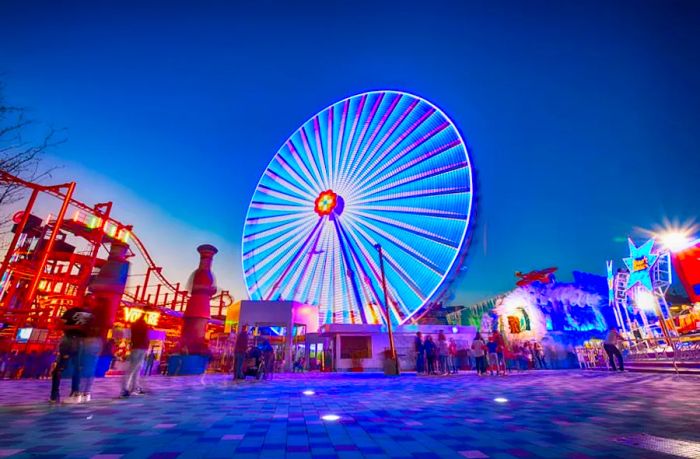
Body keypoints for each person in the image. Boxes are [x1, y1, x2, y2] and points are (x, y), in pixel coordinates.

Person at [50, 304, 93, 404]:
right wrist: (77, 327)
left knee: (72, 368)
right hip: (74, 341)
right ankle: (59, 394)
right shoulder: (73, 312)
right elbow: (59, 325)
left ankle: (64, 394)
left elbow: (59, 326)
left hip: (78, 341)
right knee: (68, 368)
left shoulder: (90, 314)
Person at [120, 313, 150, 397]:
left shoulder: (135, 325)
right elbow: (145, 338)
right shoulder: (143, 326)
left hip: (136, 347)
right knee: (133, 369)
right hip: (141, 348)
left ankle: (133, 388)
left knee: (135, 369)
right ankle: (126, 389)